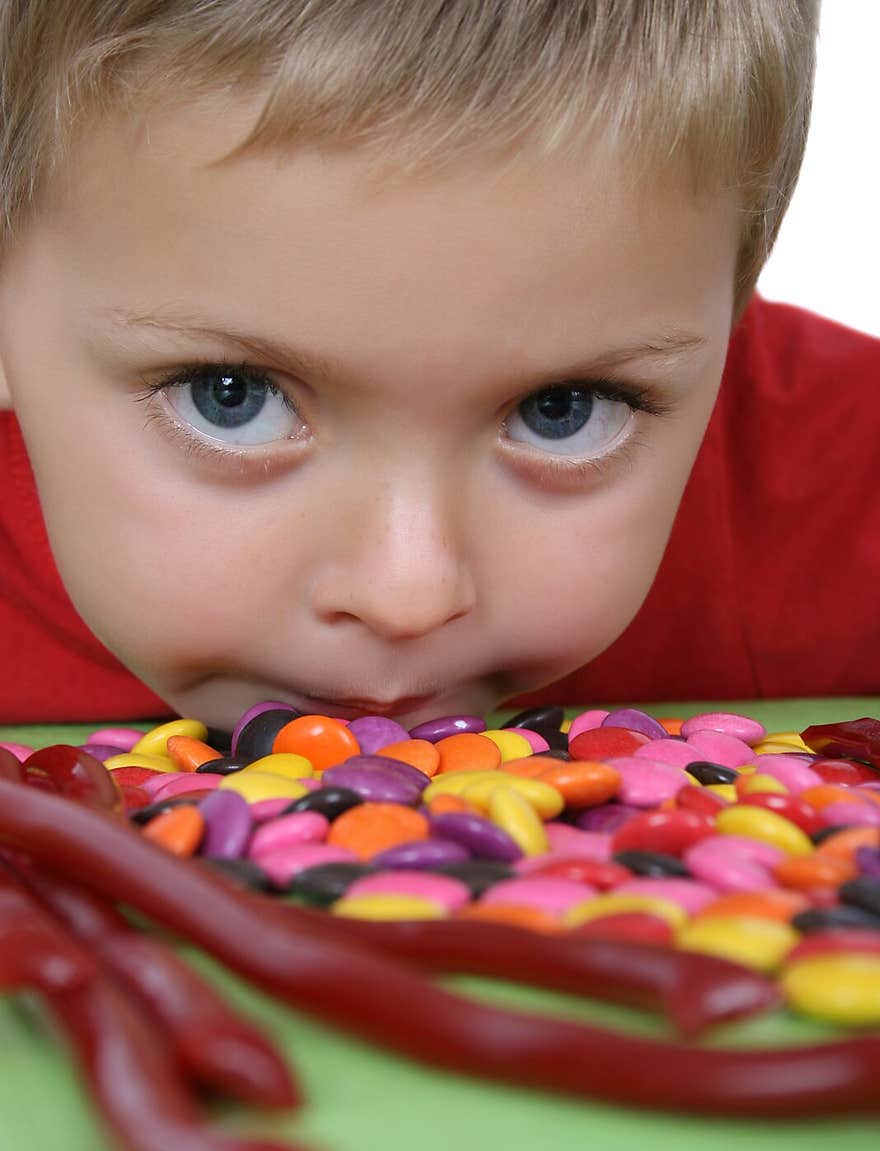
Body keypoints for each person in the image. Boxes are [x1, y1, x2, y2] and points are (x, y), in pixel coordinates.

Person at [0, 0, 876, 730]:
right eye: (232, 397)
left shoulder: (847, 506)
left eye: (564, 408)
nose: (407, 594)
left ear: (730, 299)